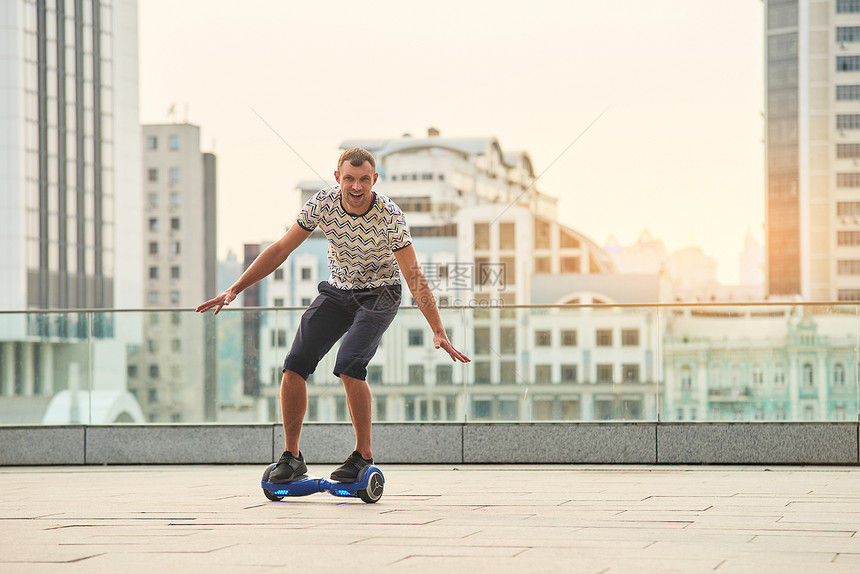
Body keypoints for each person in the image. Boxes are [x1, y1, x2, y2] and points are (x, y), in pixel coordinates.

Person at [196, 147, 470, 483]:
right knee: (294, 364)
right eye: (350, 179)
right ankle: (292, 456)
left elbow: (413, 275)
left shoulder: (390, 215)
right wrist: (235, 289)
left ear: (374, 180)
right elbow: (281, 249)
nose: (356, 187)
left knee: (349, 364)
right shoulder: (322, 203)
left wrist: (438, 330)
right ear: (338, 177)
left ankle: (362, 456)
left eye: (364, 180)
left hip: (380, 293)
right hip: (338, 290)